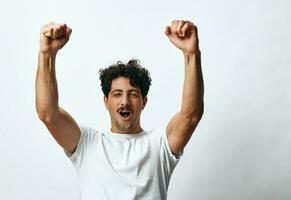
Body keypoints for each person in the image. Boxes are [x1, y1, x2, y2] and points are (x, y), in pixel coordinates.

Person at [35, 20, 204, 200]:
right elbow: (48, 114)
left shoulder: (160, 144)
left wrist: (191, 53)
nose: (124, 101)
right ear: (106, 101)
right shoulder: (87, 143)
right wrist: (47, 55)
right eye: (117, 94)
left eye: (132, 94)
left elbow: (190, 117)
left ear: (143, 102)